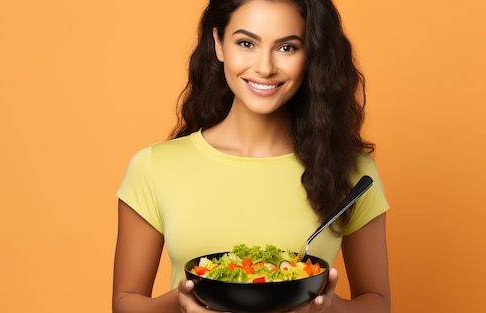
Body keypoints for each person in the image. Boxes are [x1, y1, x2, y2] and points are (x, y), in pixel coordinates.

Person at [112, 0, 391, 312]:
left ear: (311, 53)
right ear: (218, 44)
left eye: (287, 48)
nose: (265, 67)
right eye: (246, 43)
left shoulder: (352, 171)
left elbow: (377, 303)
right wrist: (180, 300)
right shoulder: (154, 166)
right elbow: (125, 303)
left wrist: (327, 306)